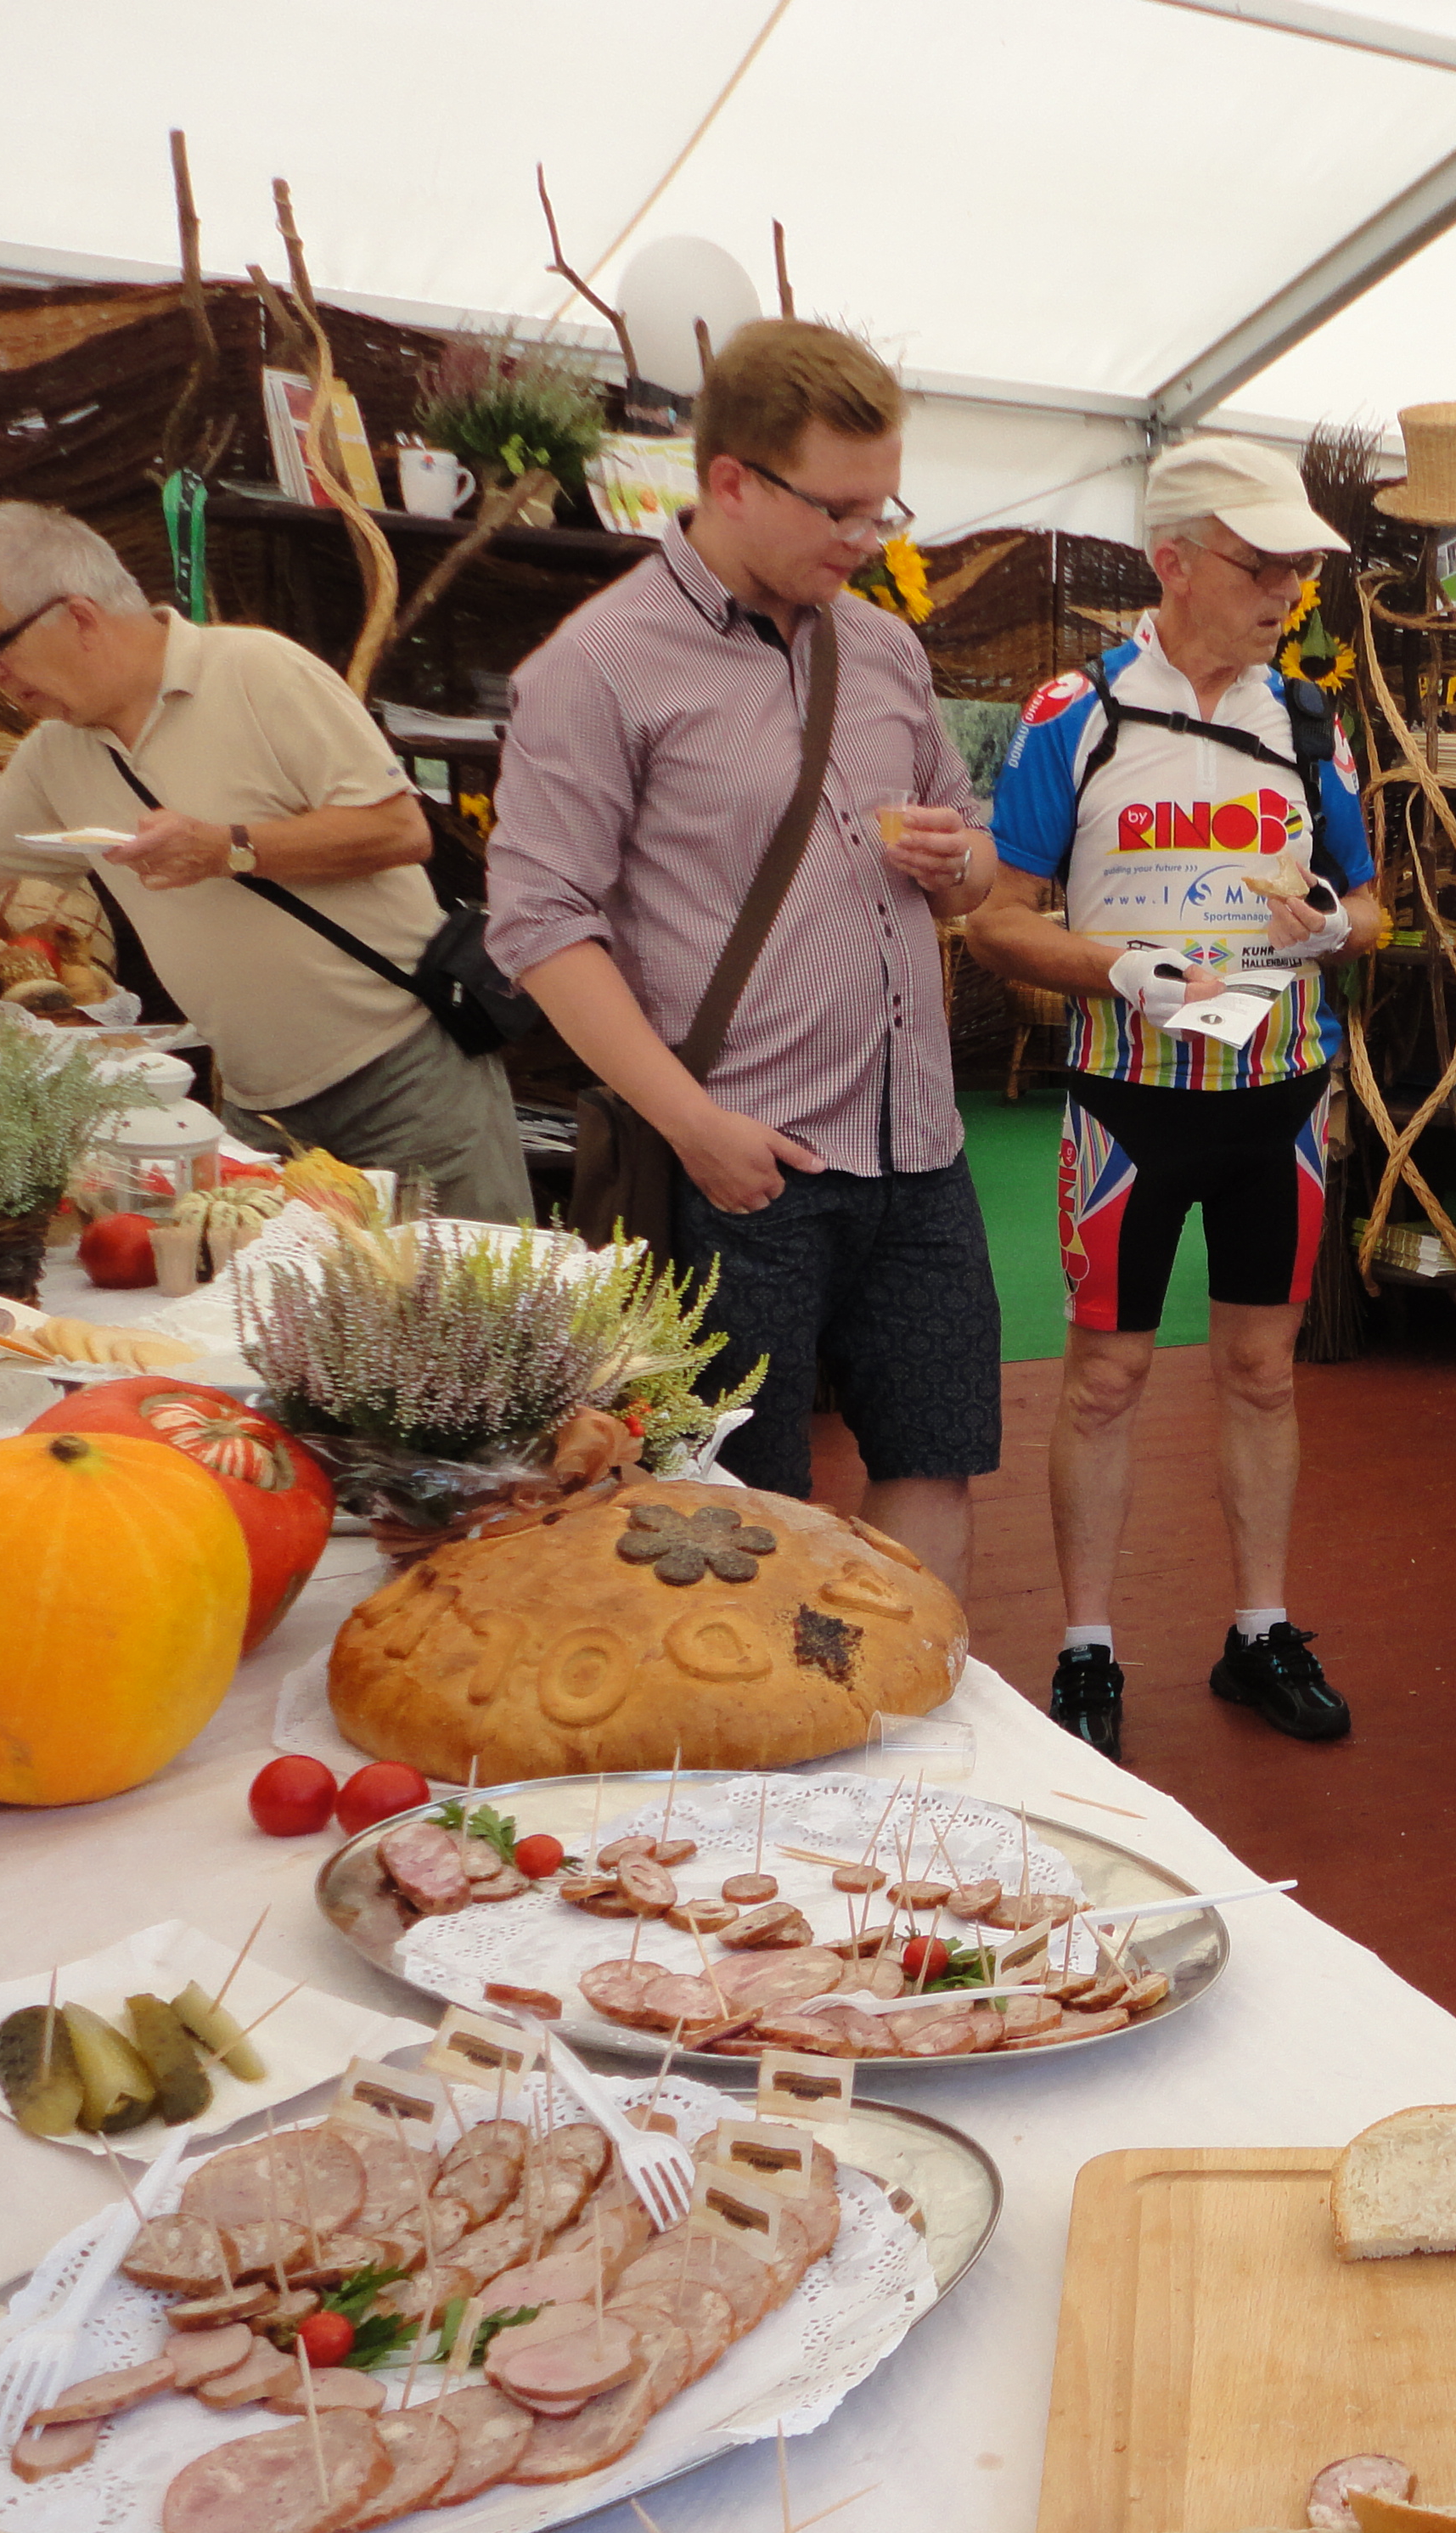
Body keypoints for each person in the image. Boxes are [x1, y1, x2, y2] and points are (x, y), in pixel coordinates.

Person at [486, 319, 997, 1590]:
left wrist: (959, 864)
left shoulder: (883, 648)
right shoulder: (597, 665)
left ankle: (910, 1692)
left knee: (935, 1457)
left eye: (884, 508)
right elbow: (541, 926)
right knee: (733, 1503)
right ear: (730, 481)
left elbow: (979, 864)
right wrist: (695, 1127)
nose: (867, 538)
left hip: (919, 1144)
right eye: (839, 509)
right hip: (743, 1159)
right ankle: (761, 1717)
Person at [960, 436, 1382, 1760]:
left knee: (1262, 1370)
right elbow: (996, 920)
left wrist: (1336, 927)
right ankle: (1086, 1647)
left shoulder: (1308, 723)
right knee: (1105, 1377)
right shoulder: (1073, 714)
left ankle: (1260, 1631)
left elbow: (1373, 907)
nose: (1288, 594)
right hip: (1129, 1100)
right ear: (1176, 562)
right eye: (1263, 567)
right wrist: (1116, 969)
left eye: (1300, 571)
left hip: (1278, 1093)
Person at [0, 502, 531, 1220]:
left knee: (471, 1289)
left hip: (408, 1080)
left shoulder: (257, 670)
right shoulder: (55, 752)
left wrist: (230, 848)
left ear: (79, 617)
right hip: (257, 1112)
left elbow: (400, 831)